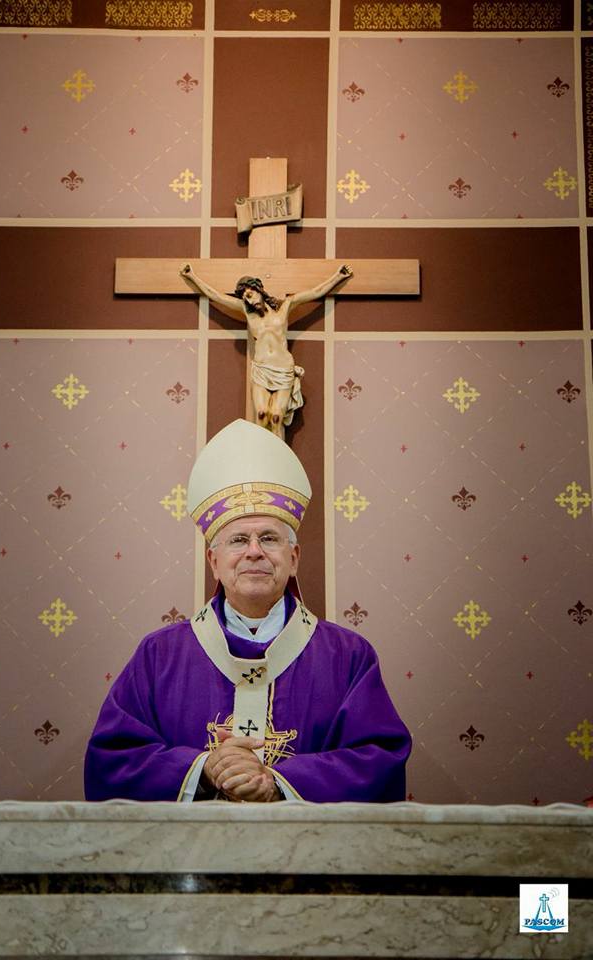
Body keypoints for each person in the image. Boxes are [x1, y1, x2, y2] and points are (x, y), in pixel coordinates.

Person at [84, 419, 411, 803]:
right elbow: (111, 761)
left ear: (293, 558)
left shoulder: (349, 656)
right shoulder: (159, 656)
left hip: (304, 843)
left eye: (269, 538)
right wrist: (203, 769)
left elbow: (379, 761)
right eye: (238, 540)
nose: (254, 551)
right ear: (214, 561)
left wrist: (278, 782)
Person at [180, 263, 352, 438]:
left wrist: (338, 277)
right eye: (245, 298)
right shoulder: (247, 312)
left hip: (283, 370)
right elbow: (216, 296)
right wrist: (192, 277)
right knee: (262, 414)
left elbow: (315, 292)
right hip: (262, 369)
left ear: (259, 290)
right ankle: (260, 452)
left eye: (250, 294)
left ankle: (278, 454)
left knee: (276, 417)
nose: (248, 300)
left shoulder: (285, 307)